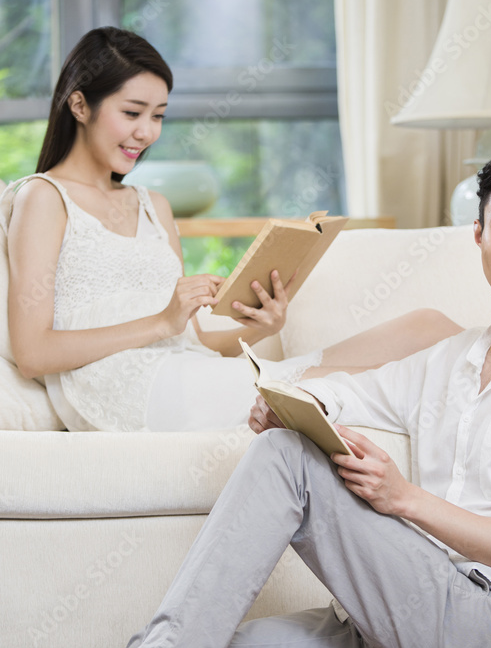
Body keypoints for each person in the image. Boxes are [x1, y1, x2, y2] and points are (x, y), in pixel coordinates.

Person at [0, 143, 491, 648]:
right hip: (384, 630)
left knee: (287, 463)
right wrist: (281, 400)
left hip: (481, 640)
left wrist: (403, 500)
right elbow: (344, 393)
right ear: (476, 235)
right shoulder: (450, 358)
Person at [3, 26, 456, 432]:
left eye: (158, 116)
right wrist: (161, 321)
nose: (146, 132)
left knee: (428, 328)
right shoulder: (44, 198)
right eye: (132, 112)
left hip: (186, 373)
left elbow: (192, 341)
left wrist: (261, 326)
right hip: (124, 395)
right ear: (79, 105)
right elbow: (33, 353)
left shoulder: (153, 206)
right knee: (387, 375)